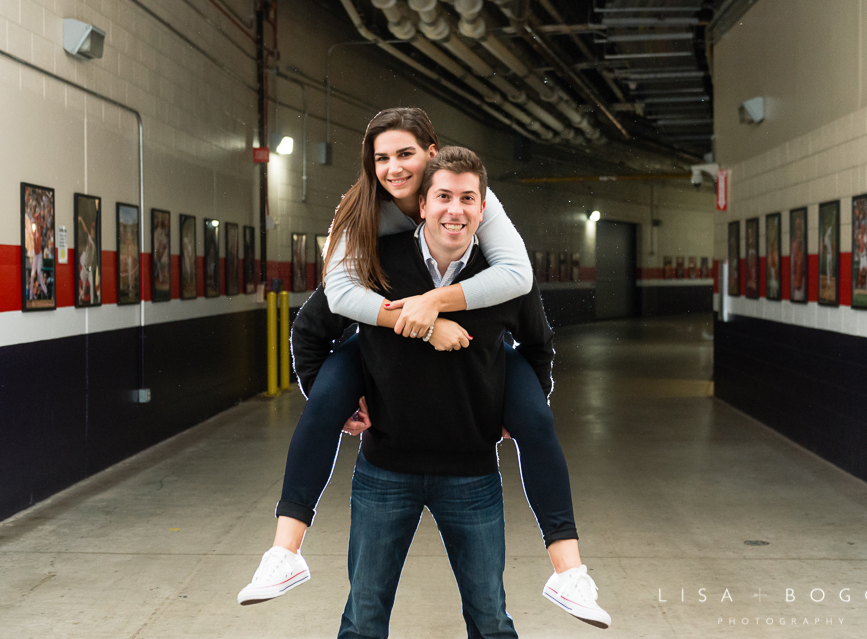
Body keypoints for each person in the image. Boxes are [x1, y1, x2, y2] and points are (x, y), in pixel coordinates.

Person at [237, 108, 607, 626]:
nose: (393, 168)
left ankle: (568, 571)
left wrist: (437, 302)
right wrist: (425, 324)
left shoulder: (489, 240)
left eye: (405, 154)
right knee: (323, 406)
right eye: (381, 157)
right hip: (385, 461)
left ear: (434, 160)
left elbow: (524, 293)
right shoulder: (366, 221)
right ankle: (285, 550)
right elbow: (334, 302)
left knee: (537, 427)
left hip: (470, 469)